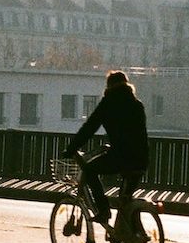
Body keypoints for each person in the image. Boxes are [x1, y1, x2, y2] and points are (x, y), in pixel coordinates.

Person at [62, 70, 149, 227]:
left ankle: (103, 211)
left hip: (121, 156)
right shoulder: (137, 104)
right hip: (141, 159)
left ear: (109, 86)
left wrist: (71, 148)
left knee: (89, 171)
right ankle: (129, 241)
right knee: (125, 199)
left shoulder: (108, 103)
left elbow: (89, 128)